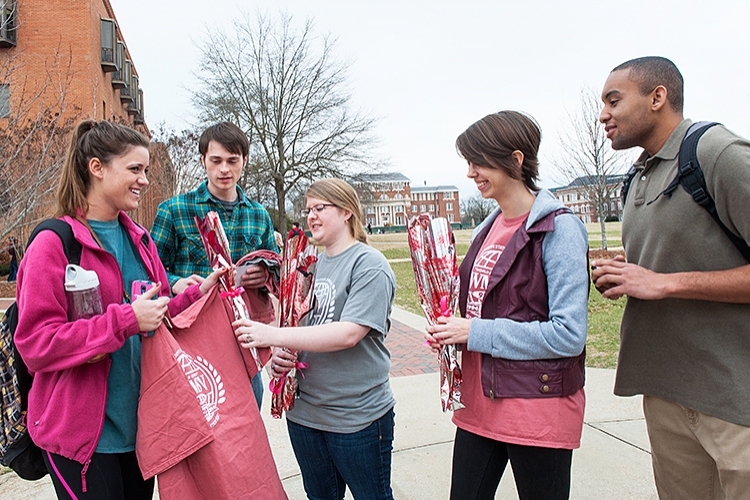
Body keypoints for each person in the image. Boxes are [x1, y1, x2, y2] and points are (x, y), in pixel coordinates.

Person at [14, 120, 224, 499]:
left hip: (140, 429)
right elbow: (36, 344)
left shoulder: (140, 239)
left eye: (145, 170)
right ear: (97, 168)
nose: (144, 180)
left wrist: (196, 295)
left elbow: (156, 313)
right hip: (82, 440)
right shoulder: (54, 243)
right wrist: (125, 320)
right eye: (135, 169)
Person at [593, 56, 750, 499]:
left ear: (658, 97)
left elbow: (664, 280)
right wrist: (627, 274)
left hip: (736, 401)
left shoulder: (716, 153)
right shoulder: (636, 177)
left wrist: (665, 283)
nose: (603, 114)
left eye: (613, 100)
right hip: (664, 394)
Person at [425, 111, 589, 500]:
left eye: (479, 161)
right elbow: (480, 310)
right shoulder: (487, 227)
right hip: (479, 409)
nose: (470, 172)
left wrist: (474, 332)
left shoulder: (559, 229)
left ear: (516, 160)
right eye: (468, 162)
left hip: (537, 410)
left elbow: (568, 335)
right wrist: (451, 329)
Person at [235, 178, 397, 500]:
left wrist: (273, 334)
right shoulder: (308, 266)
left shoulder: (369, 265)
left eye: (320, 208)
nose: (310, 216)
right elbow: (298, 325)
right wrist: (279, 354)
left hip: (356, 418)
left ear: (347, 212)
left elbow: (349, 333)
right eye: (308, 209)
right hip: (305, 417)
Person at [150, 121, 277, 409]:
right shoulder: (175, 210)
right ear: (203, 160)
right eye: (216, 160)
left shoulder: (258, 215)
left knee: (246, 425)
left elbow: (277, 273)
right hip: (191, 341)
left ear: (244, 161)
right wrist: (175, 283)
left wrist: (265, 277)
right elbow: (149, 272)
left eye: (233, 161)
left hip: (242, 340)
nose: (224, 170)